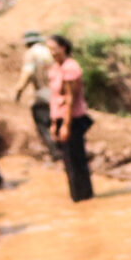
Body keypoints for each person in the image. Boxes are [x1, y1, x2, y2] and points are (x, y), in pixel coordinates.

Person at [46, 33, 93, 203]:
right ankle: (78, 198)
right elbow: (55, 97)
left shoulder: (70, 68)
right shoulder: (55, 68)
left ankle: (84, 197)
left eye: (53, 48)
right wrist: (54, 122)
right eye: (49, 49)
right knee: (68, 161)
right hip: (60, 118)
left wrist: (66, 125)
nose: (51, 52)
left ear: (63, 47)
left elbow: (70, 99)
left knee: (76, 160)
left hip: (72, 119)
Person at [12, 29, 60, 160]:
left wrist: (18, 91)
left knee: (43, 124)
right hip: (58, 93)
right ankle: (63, 148)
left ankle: (55, 152)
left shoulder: (31, 54)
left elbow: (27, 73)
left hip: (43, 94)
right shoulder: (50, 52)